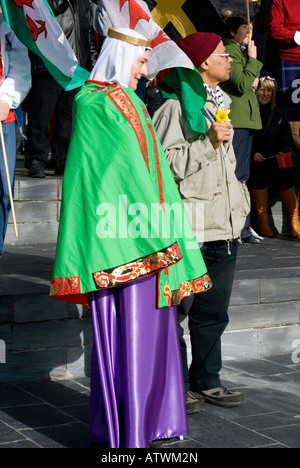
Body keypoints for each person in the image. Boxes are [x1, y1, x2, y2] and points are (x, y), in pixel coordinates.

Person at [50, 27, 212, 448]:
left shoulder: (125, 103)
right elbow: (111, 179)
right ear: (121, 58)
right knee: (132, 336)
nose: (144, 72)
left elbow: (150, 174)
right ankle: (130, 432)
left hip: (147, 235)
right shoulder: (97, 103)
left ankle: (154, 422)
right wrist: (160, 237)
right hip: (122, 240)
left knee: (153, 335)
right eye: (140, 62)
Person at [152, 32, 250, 408]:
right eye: (223, 54)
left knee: (214, 313)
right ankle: (173, 384)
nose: (230, 60)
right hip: (189, 228)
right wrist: (206, 142)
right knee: (176, 313)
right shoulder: (174, 107)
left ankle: (206, 380)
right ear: (203, 63)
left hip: (223, 226)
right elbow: (164, 166)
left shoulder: (222, 102)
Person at [25, 0, 98, 178]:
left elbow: (87, 34)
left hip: (76, 68)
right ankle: (36, 159)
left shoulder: (84, 3)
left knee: (67, 118)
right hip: (50, 64)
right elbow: (48, 12)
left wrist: (92, 65)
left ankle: (63, 159)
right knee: (41, 114)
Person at [221, 11, 263, 243]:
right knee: (238, 175)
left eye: (250, 29)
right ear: (232, 31)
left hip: (245, 119)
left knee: (242, 175)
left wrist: (253, 82)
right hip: (238, 120)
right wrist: (253, 60)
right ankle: (239, 227)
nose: (249, 32)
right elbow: (239, 84)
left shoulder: (240, 52)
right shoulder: (232, 52)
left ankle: (243, 225)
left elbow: (248, 87)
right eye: (245, 29)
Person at [248, 75, 300, 238]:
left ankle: (294, 222)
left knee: (285, 175)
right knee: (258, 174)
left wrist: (282, 151)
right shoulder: (250, 112)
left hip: (276, 159)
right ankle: (263, 223)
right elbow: (244, 140)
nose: (265, 94)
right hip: (257, 160)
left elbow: (287, 140)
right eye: (262, 89)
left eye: (269, 90)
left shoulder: (279, 113)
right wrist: (253, 154)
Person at [0, 11, 31, 259]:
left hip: (3, 117)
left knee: (3, 186)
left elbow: (21, 64)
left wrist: (6, 98)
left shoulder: (8, 23)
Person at [270, 0, 300, 149]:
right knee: (291, 113)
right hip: (291, 59)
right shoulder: (281, 1)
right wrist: (296, 36)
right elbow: (275, 29)